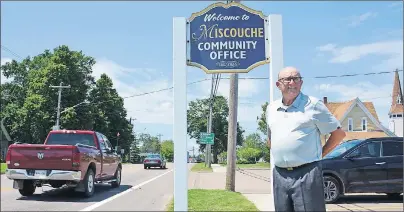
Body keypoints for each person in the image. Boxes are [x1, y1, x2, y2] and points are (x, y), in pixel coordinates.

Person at [266, 66, 346, 211]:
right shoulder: (271, 108)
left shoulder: (313, 105)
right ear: (278, 85)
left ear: (301, 83)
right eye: (287, 79)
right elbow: (270, 135)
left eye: (296, 78)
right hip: (280, 174)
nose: (292, 82)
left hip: (307, 173)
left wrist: (320, 155)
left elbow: (339, 134)